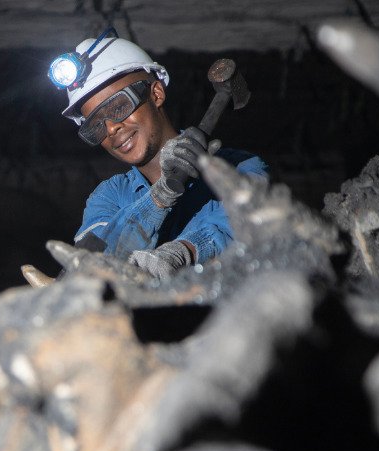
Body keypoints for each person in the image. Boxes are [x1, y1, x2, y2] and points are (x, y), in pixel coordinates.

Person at [50, 31, 267, 279]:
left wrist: (181, 253)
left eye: (119, 107)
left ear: (156, 94)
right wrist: (160, 196)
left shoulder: (239, 168)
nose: (111, 128)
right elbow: (91, 261)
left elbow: (244, 227)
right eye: (96, 125)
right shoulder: (108, 197)